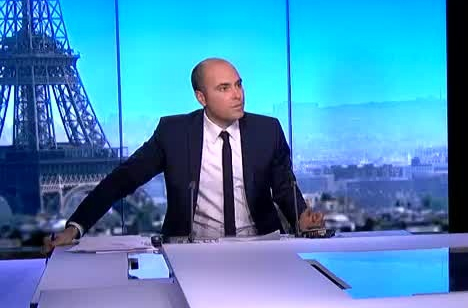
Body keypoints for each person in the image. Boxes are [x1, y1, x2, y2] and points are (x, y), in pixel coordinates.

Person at [45, 58, 323, 252]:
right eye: (224, 88)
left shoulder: (268, 130)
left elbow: (285, 187)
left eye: (239, 85)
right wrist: (75, 227)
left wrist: (301, 217)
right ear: (201, 97)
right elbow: (123, 179)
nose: (237, 95)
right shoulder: (174, 133)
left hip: (260, 247)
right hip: (192, 251)